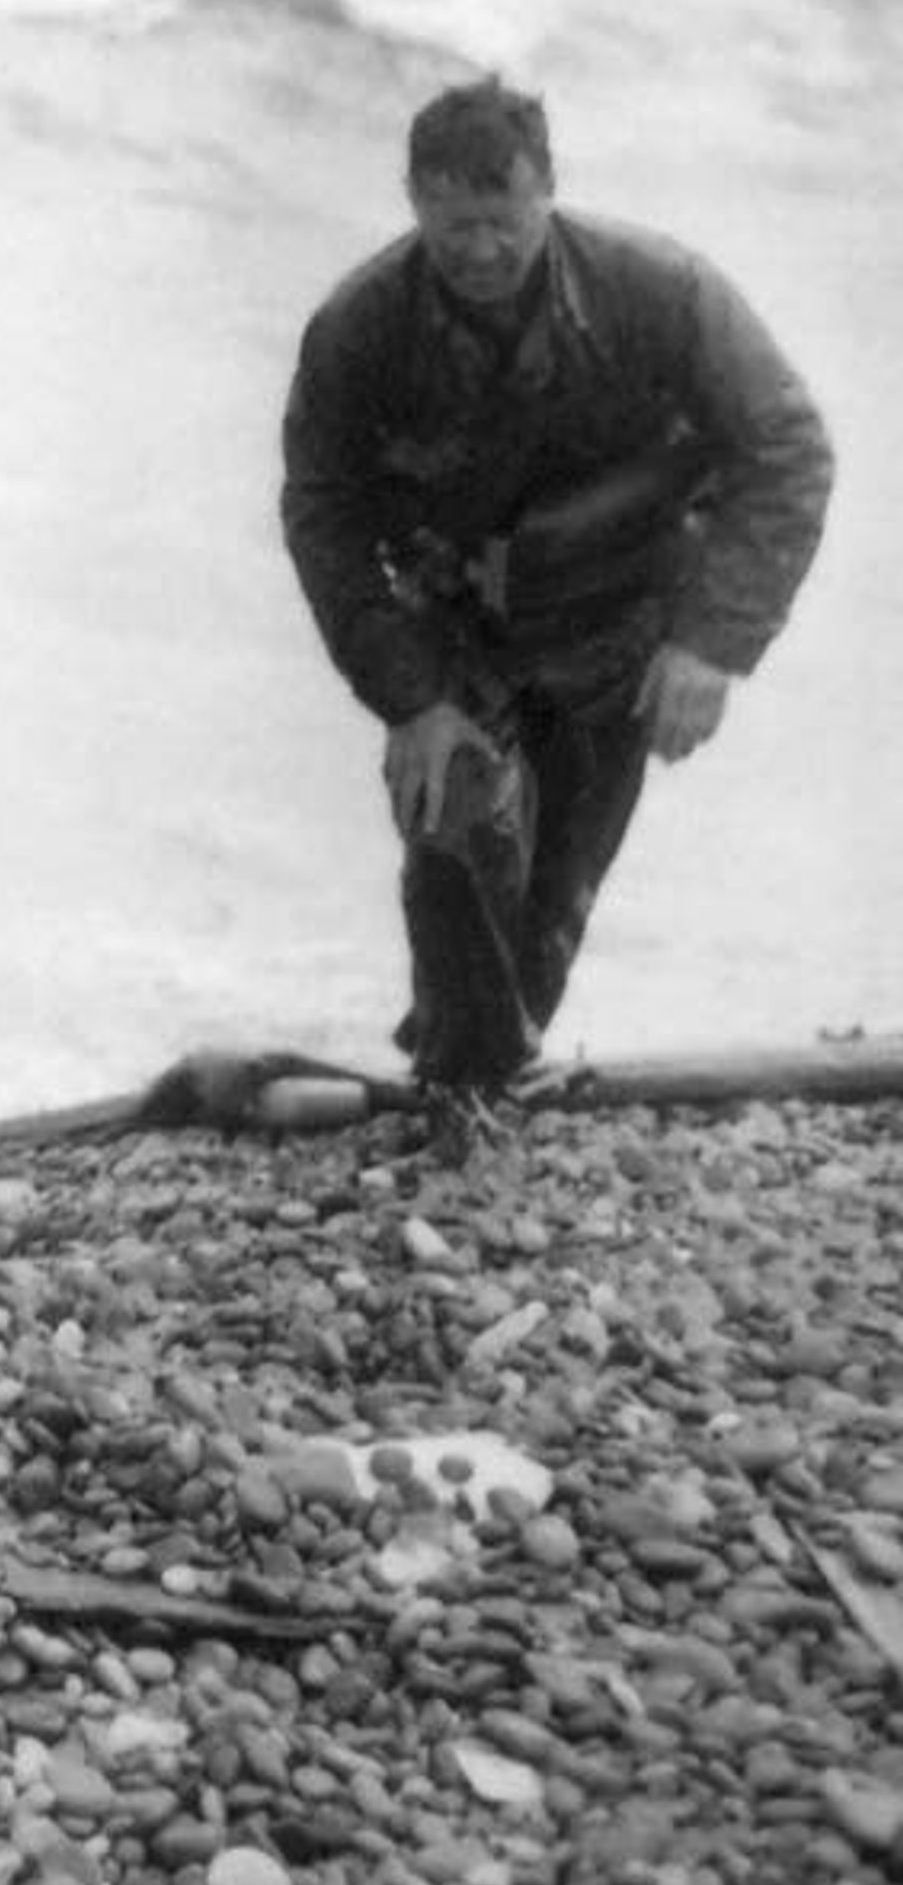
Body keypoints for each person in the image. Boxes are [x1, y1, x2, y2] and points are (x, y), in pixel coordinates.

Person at [279, 80, 831, 1161]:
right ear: (413, 202)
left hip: (622, 622)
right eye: (452, 226)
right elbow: (323, 517)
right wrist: (411, 695)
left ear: (549, 191)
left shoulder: (659, 292)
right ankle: (462, 1082)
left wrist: (715, 643)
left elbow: (788, 449)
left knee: (554, 900)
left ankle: (484, 1072)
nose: (480, 249)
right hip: (458, 627)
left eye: (503, 220)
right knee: (454, 827)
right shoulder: (358, 329)